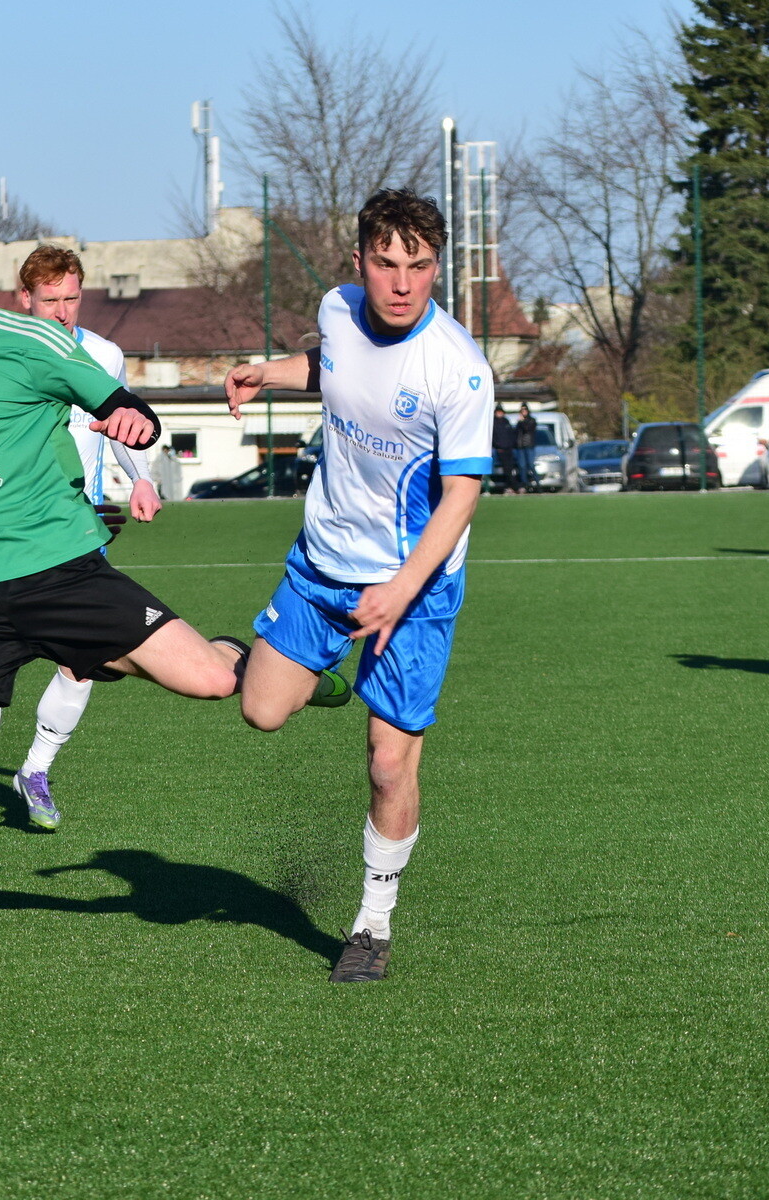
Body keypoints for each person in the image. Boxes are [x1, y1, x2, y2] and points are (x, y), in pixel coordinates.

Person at [0, 203, 344, 983]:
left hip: (60, 576)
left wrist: (129, 422)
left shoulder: (31, 340)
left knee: (211, 680)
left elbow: (124, 406)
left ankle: (292, 669)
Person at [224, 188, 492, 983]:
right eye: (386, 263)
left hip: (414, 588)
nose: (403, 283)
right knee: (261, 710)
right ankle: (330, 679)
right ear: (358, 262)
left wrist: (402, 589)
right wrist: (267, 372)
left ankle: (372, 924)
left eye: (421, 265)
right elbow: (331, 366)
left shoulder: (459, 369)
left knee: (388, 766)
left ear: (437, 266)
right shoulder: (338, 310)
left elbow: (462, 495)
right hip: (322, 564)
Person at [0, 245, 167, 835]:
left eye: (72, 298)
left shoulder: (104, 354)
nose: (64, 311)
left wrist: (141, 478)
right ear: (25, 298)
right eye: (51, 300)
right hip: (5, 538)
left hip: (77, 535)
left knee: (82, 662)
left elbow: (120, 422)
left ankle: (35, 771)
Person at [513, 403, 538, 492]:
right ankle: (524, 484)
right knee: (522, 466)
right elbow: (516, 433)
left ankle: (537, 483)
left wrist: (521, 421)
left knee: (530, 465)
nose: (523, 412)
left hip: (529, 445)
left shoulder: (532, 420)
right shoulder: (519, 422)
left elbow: (527, 429)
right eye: (522, 410)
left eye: (525, 410)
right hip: (520, 447)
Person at [491, 403, 516, 493]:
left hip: (508, 448)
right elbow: (493, 436)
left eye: (501, 412)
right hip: (500, 449)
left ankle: (512, 486)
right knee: (506, 469)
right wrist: (497, 446)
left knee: (510, 468)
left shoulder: (506, 421)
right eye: (498, 412)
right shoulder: (493, 422)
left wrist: (511, 444)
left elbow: (511, 434)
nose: (499, 413)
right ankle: (510, 486)